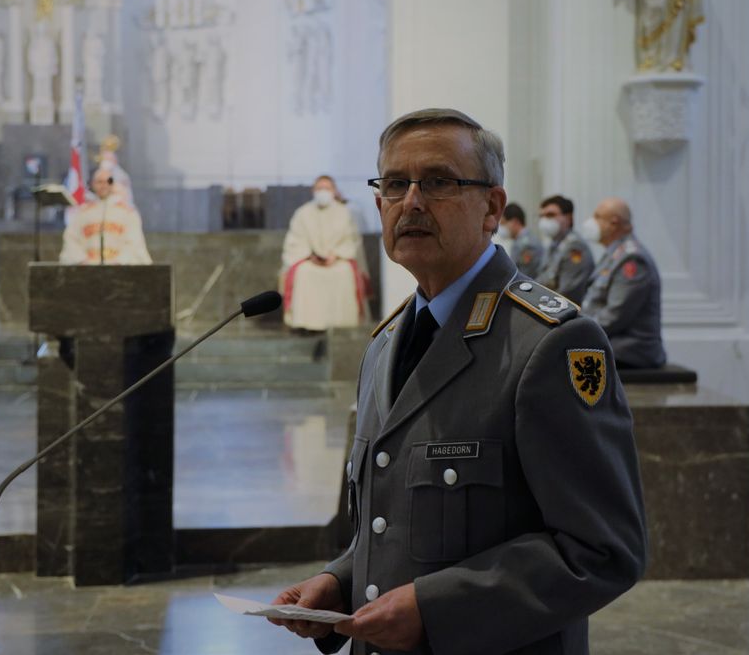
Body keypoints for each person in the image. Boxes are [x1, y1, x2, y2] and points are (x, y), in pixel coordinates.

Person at [270, 108, 646, 654]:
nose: (413, 201)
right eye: (396, 184)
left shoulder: (548, 342)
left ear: (492, 207)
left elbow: (604, 549)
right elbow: (397, 519)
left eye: (439, 182)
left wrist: (436, 608)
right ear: (379, 206)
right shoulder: (385, 343)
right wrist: (341, 583)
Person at [580, 198, 666, 369]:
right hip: (614, 345)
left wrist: (578, 331)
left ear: (613, 223)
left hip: (631, 351)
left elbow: (615, 315)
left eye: (597, 217)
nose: (591, 221)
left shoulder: (632, 260)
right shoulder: (614, 254)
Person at [280, 175, 368, 331]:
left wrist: (336, 255)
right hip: (310, 261)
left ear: (334, 191)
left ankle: (343, 324)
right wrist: (310, 256)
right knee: (303, 272)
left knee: (344, 272)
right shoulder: (302, 213)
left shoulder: (345, 213)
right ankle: (306, 325)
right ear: (313, 191)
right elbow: (294, 241)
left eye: (327, 189)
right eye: (319, 188)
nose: (323, 192)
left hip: (338, 261)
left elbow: (352, 241)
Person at [58, 167, 152, 265]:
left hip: (121, 270)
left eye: (108, 181)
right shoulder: (82, 213)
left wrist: (119, 261)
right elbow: (71, 239)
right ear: (93, 184)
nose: (104, 185)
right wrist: (83, 260)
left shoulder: (128, 213)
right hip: (88, 270)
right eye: (99, 182)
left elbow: (134, 242)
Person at [535, 194, 595, 303]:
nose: (544, 220)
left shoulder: (575, 248)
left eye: (550, 215)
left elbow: (567, 295)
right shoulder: (553, 245)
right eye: (541, 216)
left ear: (568, 218)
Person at [499, 201, 543, 278]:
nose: (501, 227)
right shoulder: (519, 242)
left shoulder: (527, 244)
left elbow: (525, 275)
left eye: (503, 223)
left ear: (515, 222)